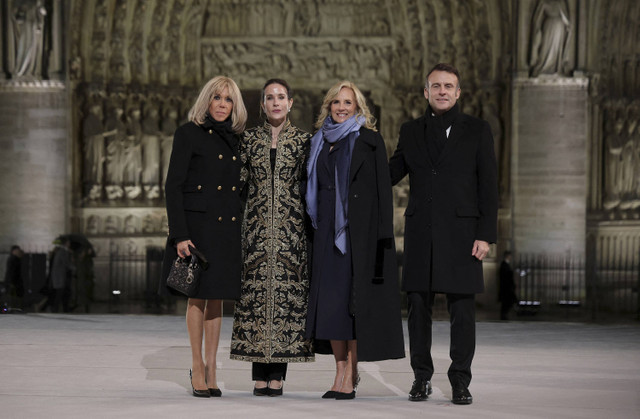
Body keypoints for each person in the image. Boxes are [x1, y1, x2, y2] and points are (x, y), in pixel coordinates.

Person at [389, 63, 498, 405]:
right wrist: (361, 147)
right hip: (422, 232)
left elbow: (488, 187)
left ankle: (460, 381)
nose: (442, 91)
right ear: (426, 92)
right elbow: (390, 173)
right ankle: (421, 377)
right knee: (418, 310)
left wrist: (486, 234)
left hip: (464, 234)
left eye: (448, 86)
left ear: (458, 92)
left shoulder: (478, 130)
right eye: (436, 86)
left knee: (462, 313)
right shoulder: (410, 130)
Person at [305, 81, 405, 400]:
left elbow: (381, 194)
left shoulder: (370, 140)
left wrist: (381, 240)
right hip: (324, 235)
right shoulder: (318, 141)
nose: (342, 107)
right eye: (336, 101)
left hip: (355, 236)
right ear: (328, 106)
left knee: (354, 306)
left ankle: (351, 371)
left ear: (358, 107)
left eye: (348, 102)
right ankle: (339, 369)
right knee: (332, 307)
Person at [163, 76, 247, 398]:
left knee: (218, 298)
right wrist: (180, 234)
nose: (223, 104)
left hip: (227, 228)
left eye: (228, 99)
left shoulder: (237, 140)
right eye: (217, 98)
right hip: (197, 229)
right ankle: (197, 365)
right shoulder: (188, 134)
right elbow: (174, 186)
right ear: (206, 101)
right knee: (197, 296)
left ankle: (213, 366)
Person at [230, 78, 314, 397]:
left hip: (292, 235)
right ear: (262, 104)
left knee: (286, 302)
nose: (276, 102)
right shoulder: (249, 141)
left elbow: (314, 188)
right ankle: (258, 372)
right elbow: (236, 186)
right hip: (255, 232)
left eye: (281, 97)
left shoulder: (305, 141)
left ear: (290, 103)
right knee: (256, 300)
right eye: (270, 98)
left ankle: (277, 374)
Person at [50, 239, 75, 313]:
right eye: (68, 242)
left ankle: (64, 308)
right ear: (66, 243)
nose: (69, 244)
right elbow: (66, 263)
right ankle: (56, 309)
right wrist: (75, 268)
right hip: (60, 277)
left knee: (62, 293)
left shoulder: (63, 251)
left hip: (60, 276)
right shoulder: (63, 252)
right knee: (60, 293)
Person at [3, 245, 24, 311]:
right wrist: (11, 282)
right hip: (14, 282)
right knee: (13, 296)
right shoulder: (14, 259)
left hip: (13, 281)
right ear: (14, 251)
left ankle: (11, 308)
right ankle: (13, 308)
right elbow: (11, 272)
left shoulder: (14, 259)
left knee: (12, 296)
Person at [499, 251, 517, 320]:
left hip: (507, 287)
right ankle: (503, 315)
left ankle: (504, 315)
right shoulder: (504, 265)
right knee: (506, 302)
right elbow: (506, 277)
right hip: (506, 288)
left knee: (507, 302)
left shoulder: (506, 264)